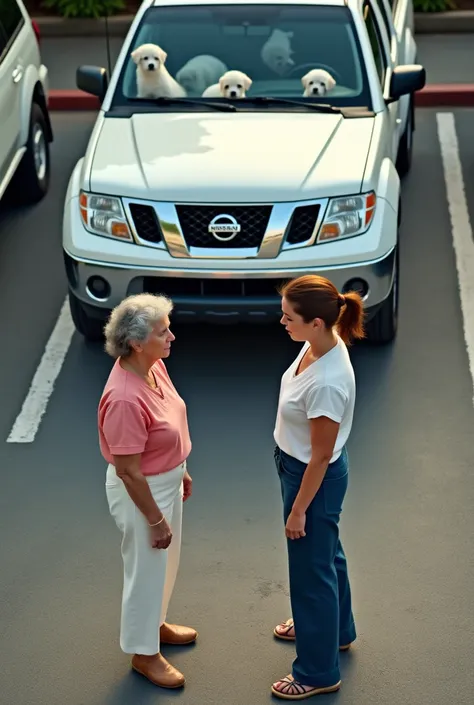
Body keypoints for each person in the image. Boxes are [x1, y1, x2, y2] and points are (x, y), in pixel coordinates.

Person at [271, 274, 365, 700]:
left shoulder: (327, 381)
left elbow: (321, 456)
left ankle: (317, 672)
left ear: (316, 323)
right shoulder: (317, 344)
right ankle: (336, 631)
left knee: (311, 573)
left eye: (289, 316)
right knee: (327, 555)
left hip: (312, 479)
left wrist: (297, 510)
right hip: (301, 470)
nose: (282, 322)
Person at [98, 293, 196, 690]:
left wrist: (182, 470)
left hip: (165, 481)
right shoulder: (123, 398)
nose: (171, 336)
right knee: (145, 570)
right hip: (143, 492)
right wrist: (155, 519)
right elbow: (127, 470)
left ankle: (155, 626)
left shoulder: (153, 368)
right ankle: (143, 653)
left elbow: (167, 424)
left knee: (166, 563)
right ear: (137, 342)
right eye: (163, 332)